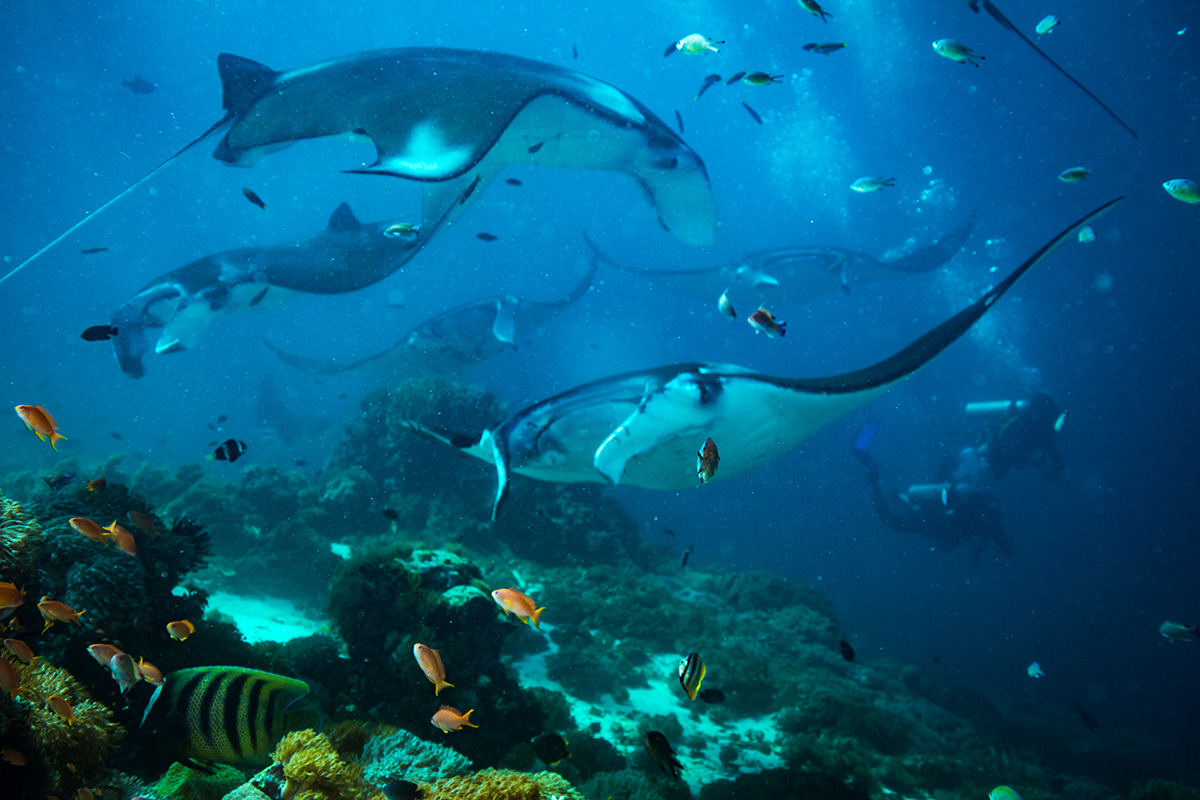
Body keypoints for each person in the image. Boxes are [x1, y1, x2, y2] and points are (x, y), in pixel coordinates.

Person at [855, 426, 1017, 565]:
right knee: (889, 518)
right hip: (933, 514)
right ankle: (873, 477)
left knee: (898, 515)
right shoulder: (981, 519)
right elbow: (937, 515)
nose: (989, 522)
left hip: (935, 509)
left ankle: (875, 477)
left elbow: (1006, 548)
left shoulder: (980, 513)